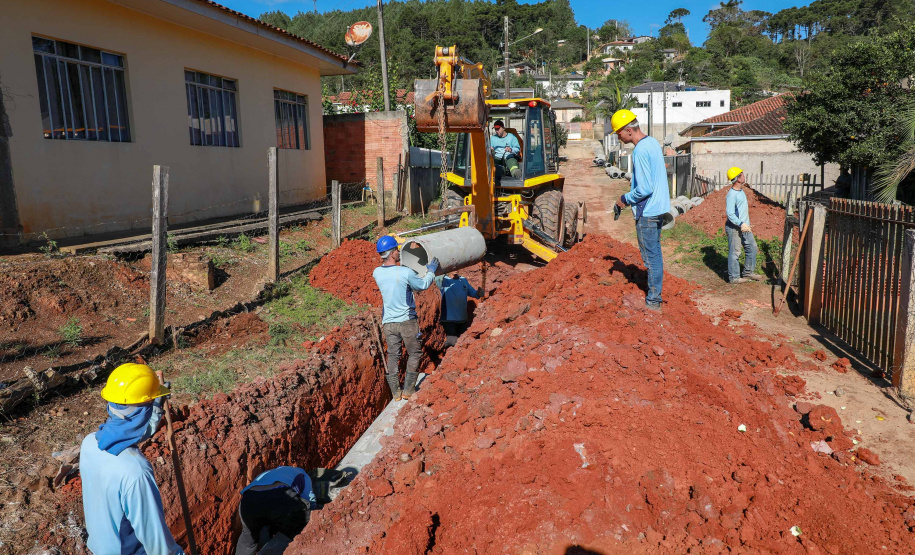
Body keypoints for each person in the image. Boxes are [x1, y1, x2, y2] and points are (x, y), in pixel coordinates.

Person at [80, 363, 185, 555]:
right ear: (142, 411)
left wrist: (155, 408)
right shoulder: (135, 471)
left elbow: (130, 428)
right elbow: (158, 546)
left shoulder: (89, 444)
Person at [611, 109, 671, 311]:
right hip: (658, 210)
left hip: (647, 212)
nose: (618, 137)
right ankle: (655, 296)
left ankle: (653, 301)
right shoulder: (653, 142)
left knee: (651, 259)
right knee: (656, 255)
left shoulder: (639, 150)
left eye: (618, 133)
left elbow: (645, 188)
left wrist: (625, 198)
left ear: (628, 130)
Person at [372, 235, 439, 401]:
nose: (399, 252)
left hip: (388, 322)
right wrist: (431, 271)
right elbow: (422, 285)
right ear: (391, 253)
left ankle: (396, 393)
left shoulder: (377, 273)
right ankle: (409, 389)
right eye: (397, 249)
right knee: (415, 353)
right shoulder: (405, 272)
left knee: (393, 355)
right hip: (407, 321)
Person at [235, 466, 315, 555]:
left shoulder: (270, 472)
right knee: (299, 524)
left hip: (248, 500)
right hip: (279, 496)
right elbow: (310, 501)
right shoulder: (303, 475)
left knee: (249, 537)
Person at [724, 167, 764, 284]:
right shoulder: (731, 195)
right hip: (734, 228)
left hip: (745, 226)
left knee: (752, 247)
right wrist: (741, 224)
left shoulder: (741, 191)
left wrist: (746, 223)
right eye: (742, 174)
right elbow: (730, 213)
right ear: (737, 178)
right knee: (735, 252)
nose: (744, 175)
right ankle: (734, 277)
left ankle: (748, 273)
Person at [435, 273, 482, 348]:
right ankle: (448, 352)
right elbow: (436, 276)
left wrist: (479, 293)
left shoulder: (463, 280)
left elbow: (473, 293)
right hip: (449, 319)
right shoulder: (443, 280)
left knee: (463, 343)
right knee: (454, 342)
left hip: (462, 320)